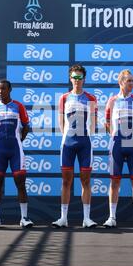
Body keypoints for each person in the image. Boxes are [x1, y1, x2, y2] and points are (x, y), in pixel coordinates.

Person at [102, 69, 133, 229]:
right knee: (114, 182)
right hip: (117, 145)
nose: (132, 83)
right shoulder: (112, 101)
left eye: (132, 80)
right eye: (129, 80)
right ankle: (111, 218)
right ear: (121, 82)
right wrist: (115, 137)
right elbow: (107, 123)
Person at [52, 65, 98, 228]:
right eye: (74, 77)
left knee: (85, 181)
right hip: (68, 143)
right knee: (66, 181)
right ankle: (63, 218)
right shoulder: (64, 98)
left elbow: (93, 123)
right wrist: (67, 136)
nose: (77, 81)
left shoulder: (91, 98)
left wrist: (85, 136)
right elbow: (61, 123)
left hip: (85, 143)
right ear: (70, 79)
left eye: (80, 78)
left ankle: (86, 218)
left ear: (84, 79)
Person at [0, 79, 34, 228]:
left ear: (9, 90)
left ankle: (24, 218)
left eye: (3, 89)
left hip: (15, 150)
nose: (0, 92)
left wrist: (18, 140)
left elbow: (26, 127)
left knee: (20, 184)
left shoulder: (18, 106)